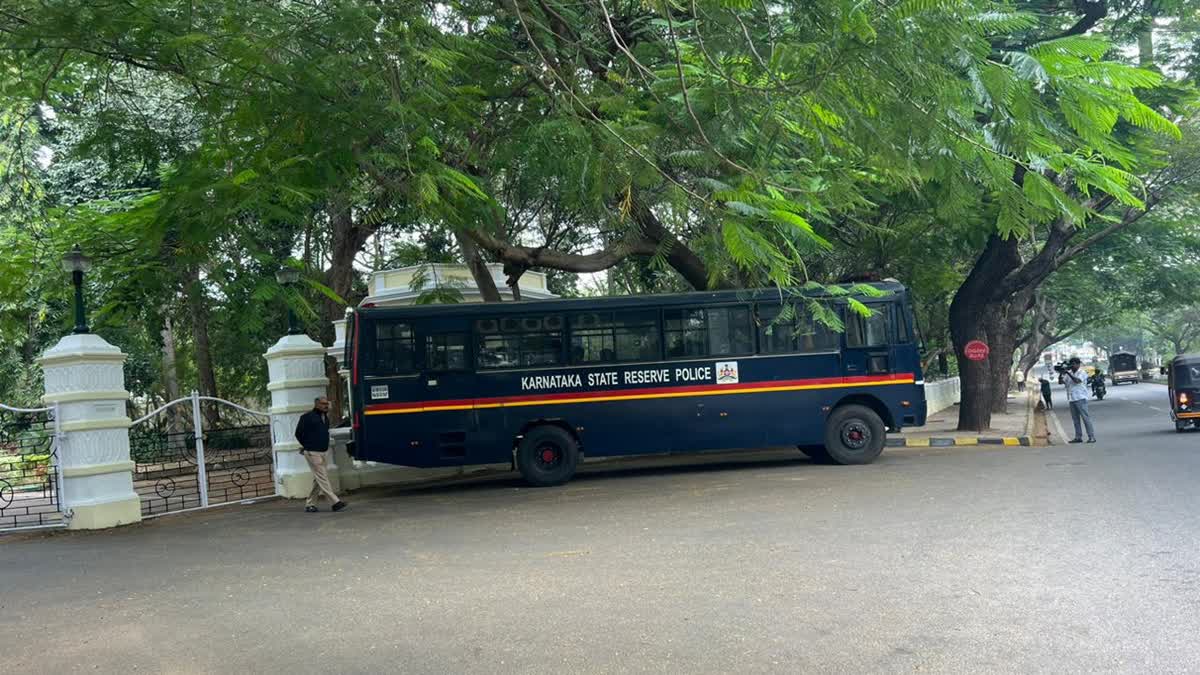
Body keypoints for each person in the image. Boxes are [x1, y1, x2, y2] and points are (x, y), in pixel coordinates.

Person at [294, 396, 347, 513]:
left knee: (318, 479)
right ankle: (335, 502)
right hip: (312, 452)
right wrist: (307, 445)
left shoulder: (325, 418)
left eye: (327, 404)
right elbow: (298, 433)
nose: (326, 406)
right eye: (323, 404)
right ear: (317, 404)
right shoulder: (307, 417)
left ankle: (310, 504)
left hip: (323, 451)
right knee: (322, 477)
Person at [1059, 357, 1096, 444]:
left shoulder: (1082, 372)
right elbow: (1061, 382)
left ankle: (1091, 437)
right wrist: (1061, 373)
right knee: (1075, 420)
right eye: (1071, 364)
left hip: (1081, 398)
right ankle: (1078, 437)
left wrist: (1067, 372)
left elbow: (1077, 381)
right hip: (1071, 398)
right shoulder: (1070, 373)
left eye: (1074, 364)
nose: (1072, 366)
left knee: (1085, 418)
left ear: (1078, 364)